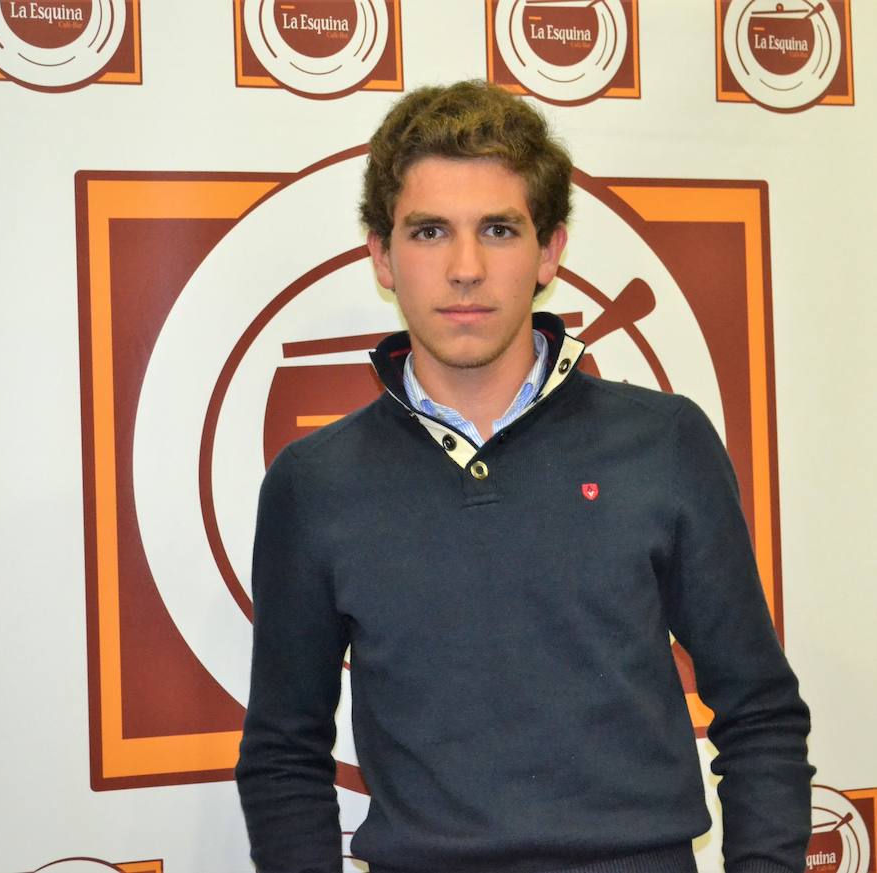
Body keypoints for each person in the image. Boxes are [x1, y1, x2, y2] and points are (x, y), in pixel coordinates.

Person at [235, 81, 813, 873]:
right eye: (430, 231)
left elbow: (761, 711)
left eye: (499, 229)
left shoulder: (665, 443)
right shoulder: (314, 483)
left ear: (549, 251)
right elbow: (283, 754)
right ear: (381, 256)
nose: (465, 268)